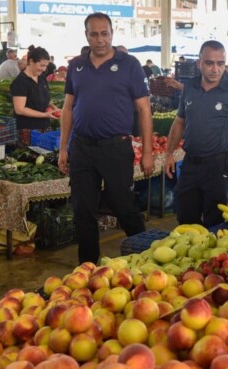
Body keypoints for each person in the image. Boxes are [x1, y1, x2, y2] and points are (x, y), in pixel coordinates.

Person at [58, 12, 154, 265]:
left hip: (115, 147)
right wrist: (63, 148)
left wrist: (147, 152)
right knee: (83, 210)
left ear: (112, 34)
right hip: (82, 148)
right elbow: (68, 108)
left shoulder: (129, 64)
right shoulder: (76, 65)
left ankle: (146, 259)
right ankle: (87, 266)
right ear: (86, 35)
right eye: (94, 34)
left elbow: (144, 109)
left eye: (104, 34)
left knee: (124, 207)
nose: (100, 39)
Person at [164, 41, 228, 226]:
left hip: (218, 166)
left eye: (221, 63)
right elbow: (179, 121)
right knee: (185, 217)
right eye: (209, 63)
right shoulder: (190, 88)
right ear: (199, 63)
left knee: (215, 220)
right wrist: (169, 153)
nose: (215, 69)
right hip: (190, 163)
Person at [10, 46, 60, 146]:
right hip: (28, 130)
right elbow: (20, 109)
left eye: (46, 66)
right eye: (41, 65)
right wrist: (45, 115)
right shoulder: (20, 82)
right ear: (31, 61)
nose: (44, 69)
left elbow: (43, 97)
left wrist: (54, 108)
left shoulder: (41, 77)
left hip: (45, 126)